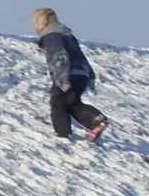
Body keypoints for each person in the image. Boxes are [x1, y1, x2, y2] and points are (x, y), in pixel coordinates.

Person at [33, 8, 108, 142]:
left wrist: (61, 79)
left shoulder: (52, 36)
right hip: (81, 74)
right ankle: (96, 120)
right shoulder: (66, 34)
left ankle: (63, 135)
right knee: (71, 103)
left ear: (41, 22)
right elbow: (80, 56)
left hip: (68, 73)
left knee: (58, 102)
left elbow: (60, 57)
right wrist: (90, 75)